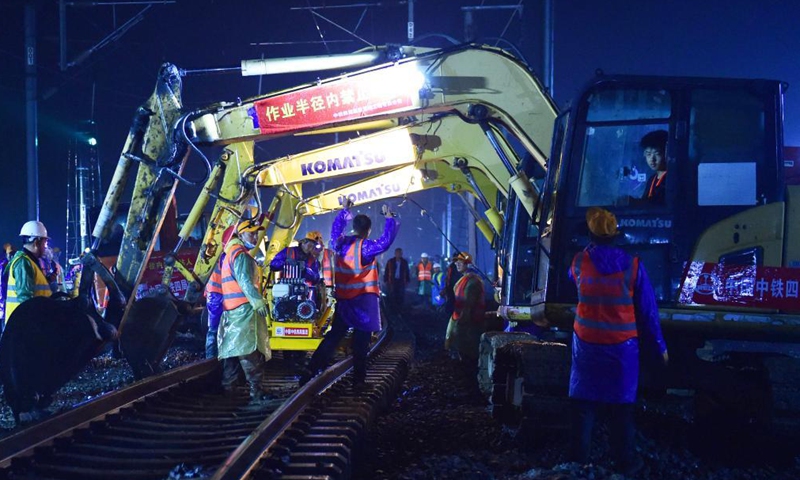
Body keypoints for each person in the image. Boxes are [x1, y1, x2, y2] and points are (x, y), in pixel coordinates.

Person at [568, 207, 668, 475]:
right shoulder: (633, 266)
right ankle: (625, 463)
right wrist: (661, 346)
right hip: (622, 348)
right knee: (622, 409)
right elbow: (648, 310)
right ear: (615, 235)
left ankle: (577, 464)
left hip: (587, 346)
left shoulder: (578, 262)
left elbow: (572, 281)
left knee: (584, 407)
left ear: (591, 234)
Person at [303, 199, 399, 389]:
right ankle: (358, 381)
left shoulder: (339, 243)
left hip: (344, 299)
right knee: (361, 341)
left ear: (354, 227)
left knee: (334, 335)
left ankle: (312, 368)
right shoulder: (366, 247)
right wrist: (390, 219)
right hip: (363, 300)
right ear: (368, 230)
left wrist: (344, 211)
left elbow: (335, 231)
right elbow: (385, 242)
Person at [218, 218, 273, 403]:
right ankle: (256, 394)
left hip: (232, 311)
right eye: (252, 232)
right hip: (244, 311)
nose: (256, 236)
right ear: (240, 234)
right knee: (250, 352)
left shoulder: (230, 253)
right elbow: (245, 282)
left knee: (232, 353)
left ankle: (229, 393)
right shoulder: (240, 254)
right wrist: (257, 302)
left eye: (257, 232)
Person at [6, 221, 52, 321]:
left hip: (30, 325)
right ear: (36, 242)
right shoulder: (23, 263)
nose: (45, 247)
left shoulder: (31, 262)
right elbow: (25, 302)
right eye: (45, 243)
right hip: (23, 328)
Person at [443, 252, 485, 362]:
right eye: (456, 261)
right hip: (460, 317)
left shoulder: (472, 281)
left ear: (467, 264)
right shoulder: (465, 279)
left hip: (467, 321)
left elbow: (467, 304)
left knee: (465, 349)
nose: (457, 264)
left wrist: (462, 320)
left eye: (460, 262)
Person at [204, 225, 236, 359]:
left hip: (214, 293)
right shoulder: (226, 254)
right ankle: (213, 358)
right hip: (218, 294)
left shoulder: (217, 251)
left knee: (214, 328)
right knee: (216, 329)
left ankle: (213, 358)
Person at [640, 129, 668, 204]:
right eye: (648, 154)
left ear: (666, 153)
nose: (652, 159)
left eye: (657, 153)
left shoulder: (671, 179)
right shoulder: (652, 179)